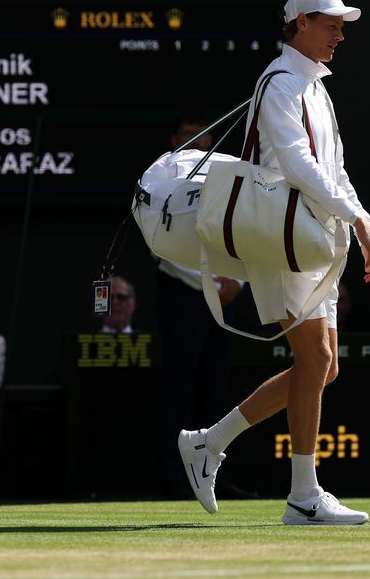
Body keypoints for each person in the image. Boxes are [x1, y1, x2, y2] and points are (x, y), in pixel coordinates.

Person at [178, 0, 370, 526]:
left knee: (325, 366)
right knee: (315, 360)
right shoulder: (279, 82)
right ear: (299, 24)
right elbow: (295, 165)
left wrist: (359, 218)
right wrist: (356, 217)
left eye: (343, 25)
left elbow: (334, 168)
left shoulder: (316, 88)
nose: (341, 35)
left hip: (315, 237)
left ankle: (208, 442)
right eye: (331, 24)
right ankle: (303, 496)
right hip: (282, 238)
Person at [155, 113, 244, 500]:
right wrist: (213, 282)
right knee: (178, 387)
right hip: (183, 294)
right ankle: (173, 479)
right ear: (174, 138)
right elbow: (163, 240)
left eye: (202, 136)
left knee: (215, 388)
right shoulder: (163, 175)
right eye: (187, 135)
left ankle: (213, 476)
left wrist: (238, 281)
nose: (195, 141)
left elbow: (241, 228)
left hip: (222, 298)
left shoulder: (224, 176)